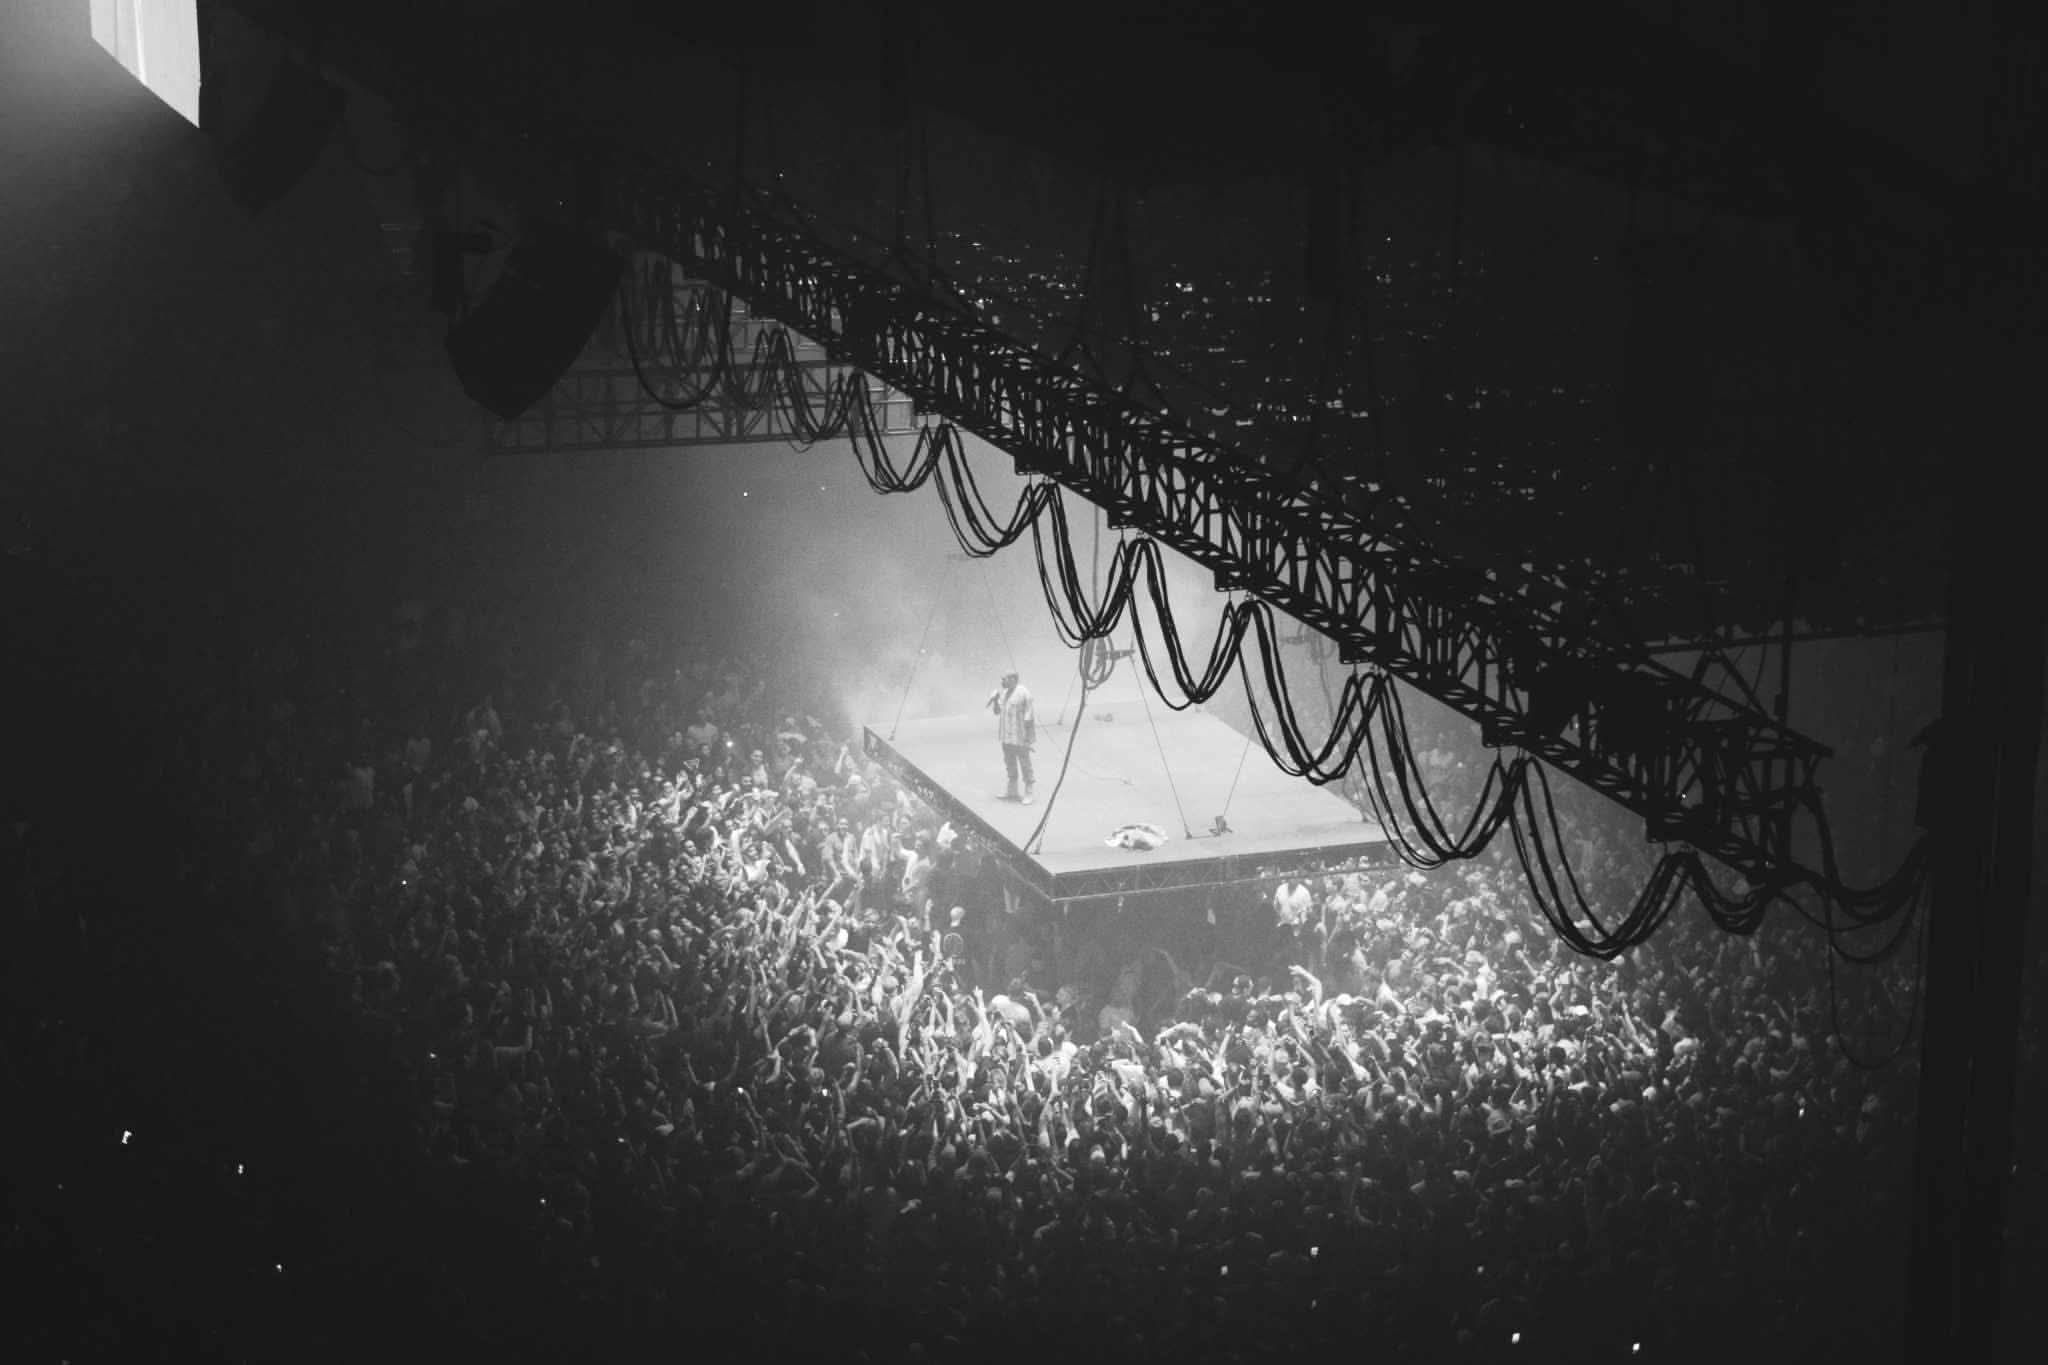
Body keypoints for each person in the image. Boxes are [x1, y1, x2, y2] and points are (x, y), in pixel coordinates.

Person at [986, 670, 1037, 804]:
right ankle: (1012, 790)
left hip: (1019, 736)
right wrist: (995, 700)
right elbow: (997, 712)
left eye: (1005, 679)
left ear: (1013, 679)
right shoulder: (1004, 693)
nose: (1002, 681)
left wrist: (1028, 738)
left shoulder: (1023, 693)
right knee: (1009, 763)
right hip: (1006, 736)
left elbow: (1030, 716)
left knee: (1025, 763)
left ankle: (1029, 792)